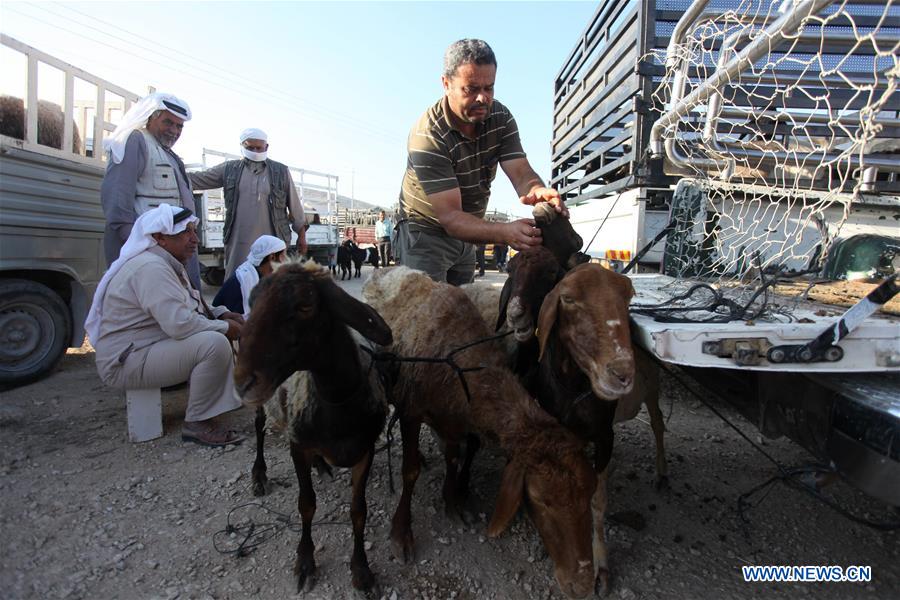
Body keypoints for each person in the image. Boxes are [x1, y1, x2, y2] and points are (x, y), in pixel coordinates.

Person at [396, 38, 568, 285]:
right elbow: (451, 217)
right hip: (426, 233)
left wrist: (538, 191)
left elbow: (521, 173)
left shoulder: (500, 118)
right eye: (471, 89)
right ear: (446, 84)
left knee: (463, 312)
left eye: (489, 88)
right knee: (424, 315)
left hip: (468, 232)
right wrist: (503, 232)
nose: (482, 98)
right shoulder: (428, 135)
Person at [85, 204, 245, 447]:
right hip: (126, 360)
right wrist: (226, 328)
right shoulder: (151, 268)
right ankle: (198, 424)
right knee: (213, 344)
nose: (195, 239)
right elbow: (180, 324)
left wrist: (220, 314)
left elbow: (184, 307)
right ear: (159, 237)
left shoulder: (162, 263)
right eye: (185, 232)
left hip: (141, 349)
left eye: (194, 230)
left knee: (216, 334)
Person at [100, 92, 202, 290]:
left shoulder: (168, 153)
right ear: (151, 118)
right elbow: (117, 202)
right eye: (168, 123)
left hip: (170, 250)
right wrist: (142, 246)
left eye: (179, 126)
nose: (174, 130)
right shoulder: (134, 141)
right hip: (149, 252)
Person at [189, 128, 307, 279]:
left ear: (267, 147)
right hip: (239, 240)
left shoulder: (281, 171)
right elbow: (199, 179)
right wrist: (173, 171)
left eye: (259, 148)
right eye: (250, 148)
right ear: (242, 147)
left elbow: (295, 206)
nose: (255, 151)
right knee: (236, 280)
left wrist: (302, 236)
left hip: (273, 240)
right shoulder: (230, 169)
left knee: (274, 284)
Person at [212, 234, 287, 318]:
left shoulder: (260, 276)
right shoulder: (243, 281)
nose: (285, 261)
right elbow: (241, 320)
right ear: (272, 257)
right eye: (283, 256)